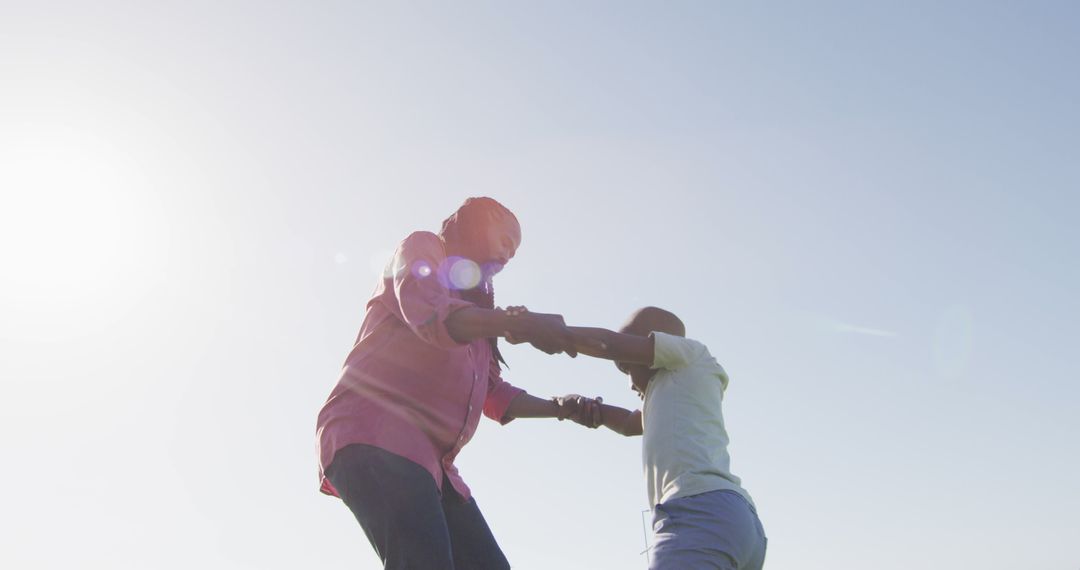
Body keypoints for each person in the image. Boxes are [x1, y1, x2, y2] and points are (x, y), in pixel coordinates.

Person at [316, 197, 600, 570]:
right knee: (423, 561)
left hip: (435, 464)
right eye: (505, 238)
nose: (509, 253)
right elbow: (430, 313)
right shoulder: (423, 248)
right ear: (476, 222)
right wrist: (516, 324)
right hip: (374, 432)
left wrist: (561, 408)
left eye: (514, 250)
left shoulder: (480, 317)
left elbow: (493, 395)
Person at [513, 305, 767, 569]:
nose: (630, 383)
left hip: (699, 511)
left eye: (625, 367)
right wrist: (582, 406)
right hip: (739, 524)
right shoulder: (677, 391)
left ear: (653, 344)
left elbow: (607, 344)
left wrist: (554, 332)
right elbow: (628, 423)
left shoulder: (691, 355)